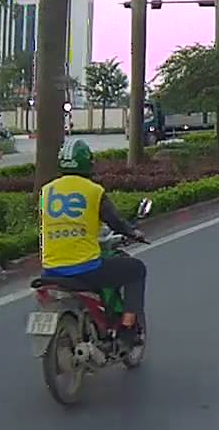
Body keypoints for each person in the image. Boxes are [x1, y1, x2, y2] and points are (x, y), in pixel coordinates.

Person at [39, 140, 148, 346]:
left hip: (50, 269)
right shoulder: (93, 191)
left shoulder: (46, 191)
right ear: (87, 163)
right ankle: (127, 327)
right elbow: (115, 222)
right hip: (85, 269)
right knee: (136, 269)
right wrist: (133, 232)